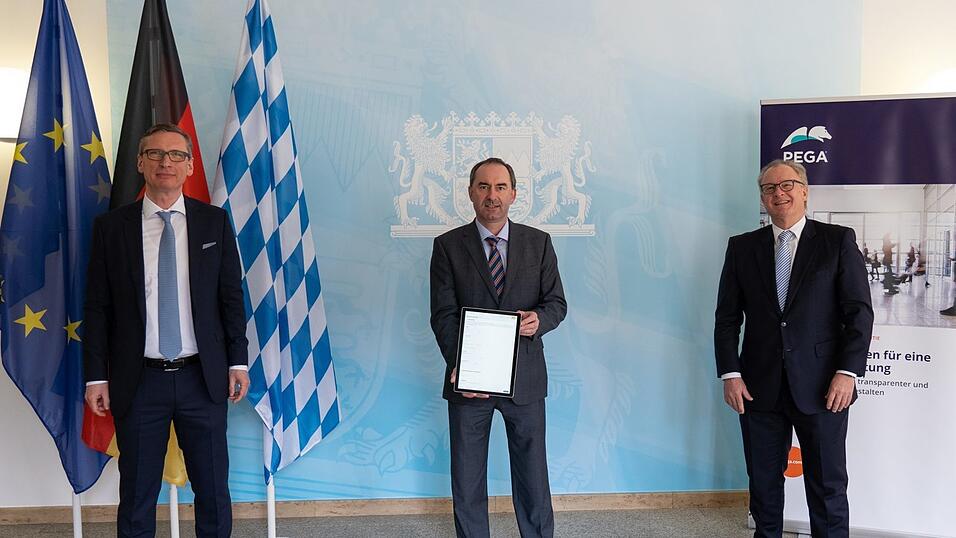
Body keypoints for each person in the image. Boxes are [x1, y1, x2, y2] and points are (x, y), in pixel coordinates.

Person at [83, 123, 249, 538]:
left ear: (190, 166)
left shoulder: (214, 223)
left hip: (202, 378)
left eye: (176, 155)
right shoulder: (111, 228)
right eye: (155, 154)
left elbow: (230, 298)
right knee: (137, 496)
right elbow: (98, 307)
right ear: (140, 163)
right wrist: (96, 376)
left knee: (212, 491)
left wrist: (238, 362)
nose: (165, 163)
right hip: (138, 381)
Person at [714, 159, 873, 537]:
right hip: (757, 388)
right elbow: (727, 318)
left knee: (827, 486)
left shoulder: (837, 241)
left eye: (786, 185)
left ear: (804, 191)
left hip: (824, 388)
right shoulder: (742, 248)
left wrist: (847, 372)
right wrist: (730, 374)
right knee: (764, 487)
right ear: (763, 199)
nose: (778, 193)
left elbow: (859, 313)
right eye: (769, 189)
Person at [430, 157, 567, 538]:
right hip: (469, 381)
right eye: (484, 187)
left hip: (524, 380)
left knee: (533, 476)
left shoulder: (539, 243)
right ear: (471, 193)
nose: (493, 195)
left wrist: (541, 320)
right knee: (468, 478)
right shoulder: (447, 247)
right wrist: (460, 364)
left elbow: (557, 303)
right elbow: (442, 314)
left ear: (514, 194)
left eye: (501, 187)